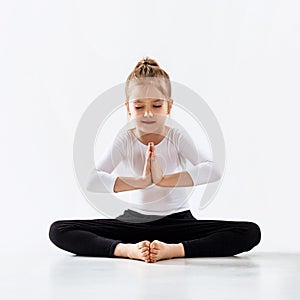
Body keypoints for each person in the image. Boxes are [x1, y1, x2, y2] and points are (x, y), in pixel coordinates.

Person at [49, 57, 261, 263]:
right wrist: (141, 182)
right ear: (128, 108)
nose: (148, 114)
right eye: (139, 107)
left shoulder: (176, 135)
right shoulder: (125, 139)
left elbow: (213, 170)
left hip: (179, 224)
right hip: (134, 225)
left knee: (250, 232)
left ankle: (176, 250)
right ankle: (126, 250)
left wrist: (163, 179)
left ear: (169, 107)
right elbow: (92, 180)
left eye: (157, 106)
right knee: (59, 230)